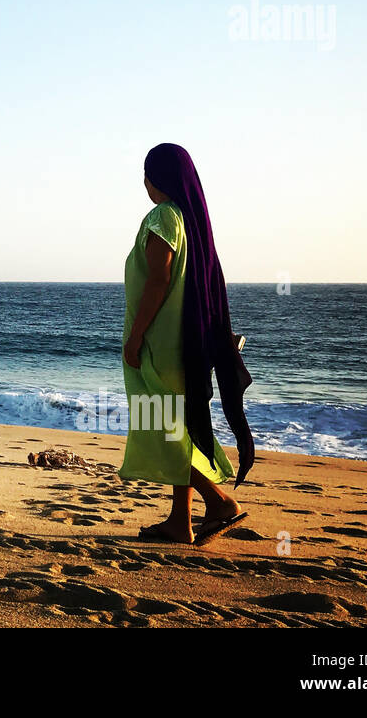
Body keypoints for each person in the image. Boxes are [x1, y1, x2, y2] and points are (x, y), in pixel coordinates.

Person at [119, 143, 254, 545]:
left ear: (153, 179)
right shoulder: (191, 222)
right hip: (181, 345)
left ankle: (219, 502)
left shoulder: (163, 217)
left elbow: (159, 278)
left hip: (159, 345)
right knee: (175, 425)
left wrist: (137, 335)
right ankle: (181, 520)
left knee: (159, 426)